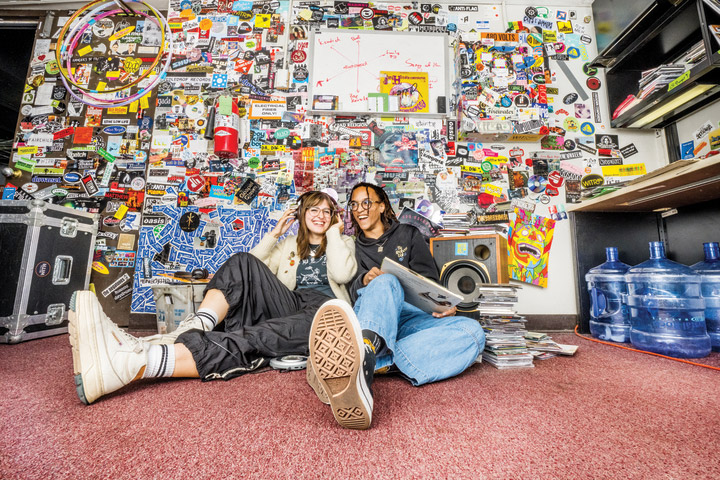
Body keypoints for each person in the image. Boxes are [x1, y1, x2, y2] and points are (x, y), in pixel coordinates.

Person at [69, 191, 356, 404]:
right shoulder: (290, 244)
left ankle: (139, 360)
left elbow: (342, 275)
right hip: (289, 303)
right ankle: (194, 326)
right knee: (242, 259)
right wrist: (275, 234)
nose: (320, 215)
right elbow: (247, 269)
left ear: (333, 218)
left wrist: (333, 236)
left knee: (258, 335)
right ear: (301, 215)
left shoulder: (344, 243)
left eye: (326, 211)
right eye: (313, 210)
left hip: (325, 312)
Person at [307, 183, 485, 430]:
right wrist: (364, 279)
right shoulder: (351, 244)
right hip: (373, 316)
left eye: (366, 202)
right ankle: (366, 355)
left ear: (381, 206)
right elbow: (347, 286)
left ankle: (367, 363)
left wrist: (443, 305)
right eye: (354, 204)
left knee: (473, 332)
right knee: (386, 281)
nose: (359, 209)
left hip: (412, 317)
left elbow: (429, 281)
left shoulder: (408, 234)